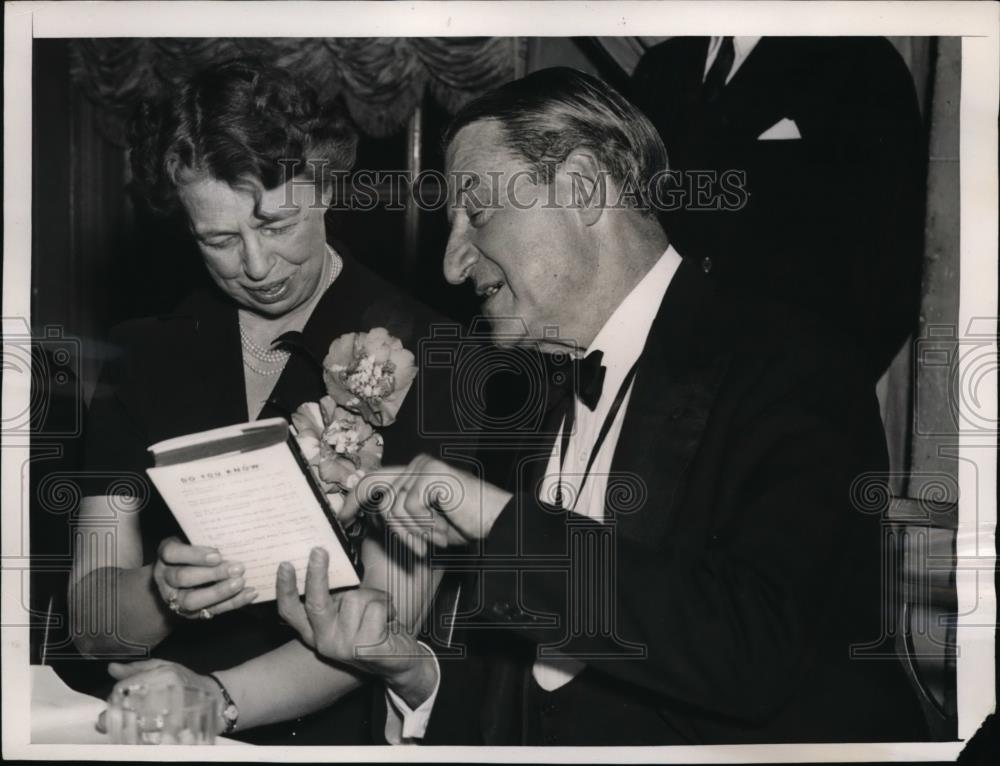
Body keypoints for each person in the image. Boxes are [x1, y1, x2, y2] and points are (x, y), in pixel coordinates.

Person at [277, 67, 930, 745]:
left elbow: (754, 653)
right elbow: (536, 696)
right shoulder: (522, 397)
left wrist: (499, 519)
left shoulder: (793, 363)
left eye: (478, 211)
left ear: (585, 188)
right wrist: (413, 673)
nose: (451, 262)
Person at [68, 59, 448, 745]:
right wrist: (161, 590)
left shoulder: (425, 350)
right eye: (218, 240)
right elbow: (92, 624)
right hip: (157, 724)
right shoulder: (143, 355)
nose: (256, 266)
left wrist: (214, 699)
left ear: (327, 186)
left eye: (277, 225)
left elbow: (389, 626)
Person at [630, 37, 926, 380]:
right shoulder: (660, 67)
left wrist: (815, 403)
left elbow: (891, 270)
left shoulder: (864, 65)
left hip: (787, 398)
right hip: (661, 394)